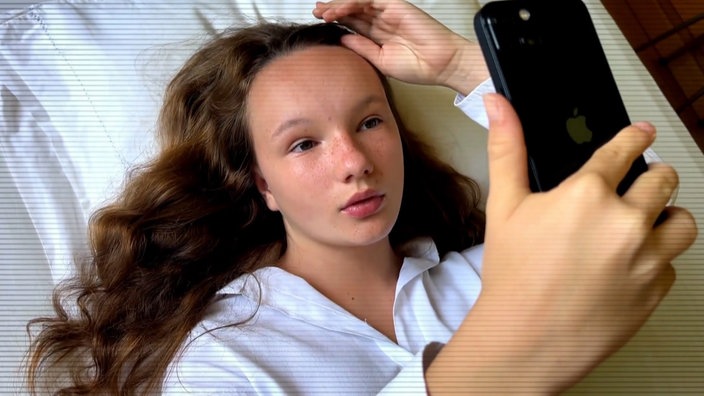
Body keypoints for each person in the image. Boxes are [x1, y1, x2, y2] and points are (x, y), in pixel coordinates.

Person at [25, 0, 697, 394]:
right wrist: (486, 367)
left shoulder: (486, 272)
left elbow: (642, 213)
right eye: (303, 144)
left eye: (370, 122)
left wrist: (463, 67)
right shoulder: (226, 355)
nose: (354, 162)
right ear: (262, 184)